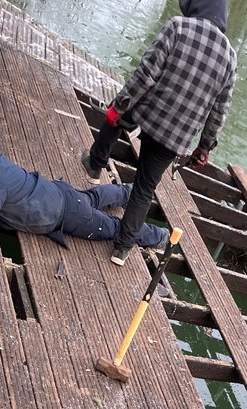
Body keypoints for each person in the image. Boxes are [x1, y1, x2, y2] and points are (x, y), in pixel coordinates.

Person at [80, 0, 237, 266]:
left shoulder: (178, 27)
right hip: (177, 136)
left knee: (116, 115)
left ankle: (95, 165)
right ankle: (122, 249)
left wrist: (119, 106)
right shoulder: (230, 57)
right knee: (144, 188)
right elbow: (218, 112)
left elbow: (146, 74)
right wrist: (204, 148)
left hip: (148, 112)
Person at [0, 128, 168, 253]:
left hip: (64, 213)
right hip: (56, 194)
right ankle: (128, 192)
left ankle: (159, 237)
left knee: (115, 227)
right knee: (90, 198)